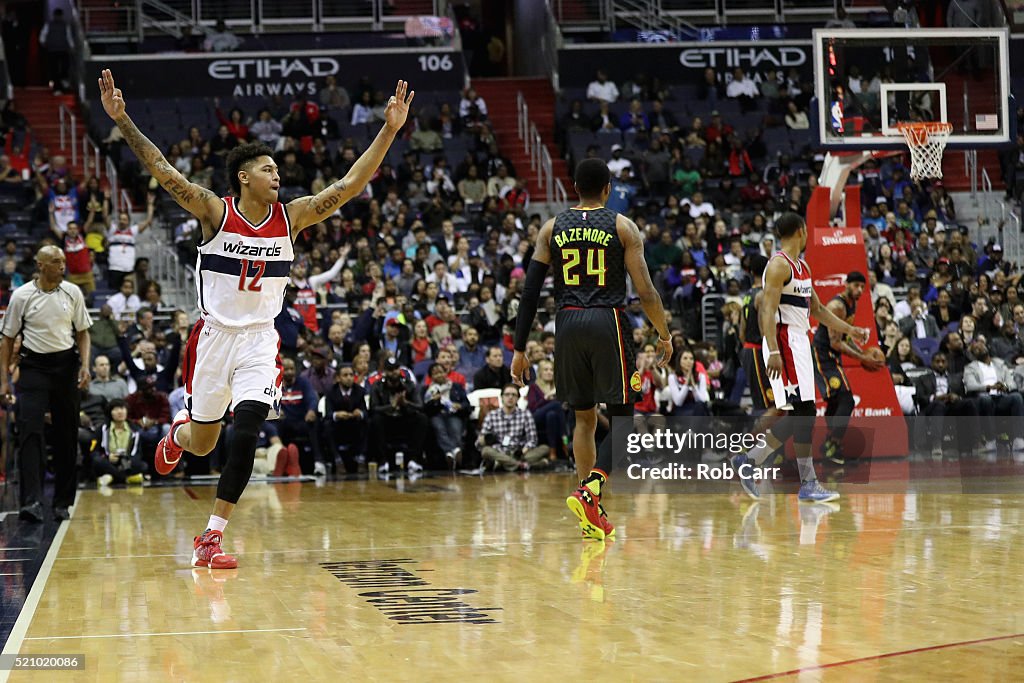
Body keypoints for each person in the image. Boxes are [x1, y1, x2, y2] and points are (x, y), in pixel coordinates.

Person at [99, 68, 413, 568]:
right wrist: (123, 119)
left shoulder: (293, 217)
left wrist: (390, 130)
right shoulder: (213, 211)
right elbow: (161, 168)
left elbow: (349, 185)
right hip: (213, 338)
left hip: (259, 343)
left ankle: (212, 536)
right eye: (268, 169)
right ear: (244, 177)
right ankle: (177, 434)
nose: (278, 176)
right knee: (203, 443)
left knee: (245, 432)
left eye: (278, 171)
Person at [510, 158, 672, 542]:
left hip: (565, 324)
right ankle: (591, 490)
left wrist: (519, 348)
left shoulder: (552, 228)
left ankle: (591, 511)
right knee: (622, 421)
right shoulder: (621, 226)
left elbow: (530, 291)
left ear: (574, 187)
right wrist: (664, 333)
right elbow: (646, 291)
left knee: (584, 419)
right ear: (608, 189)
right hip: (607, 321)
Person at [731, 213, 871, 503]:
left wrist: (851, 330)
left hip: (801, 341)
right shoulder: (779, 265)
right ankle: (804, 481)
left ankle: (750, 460)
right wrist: (772, 350)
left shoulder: (803, 267)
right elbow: (766, 311)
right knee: (804, 412)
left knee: (802, 414)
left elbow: (818, 309)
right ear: (801, 231)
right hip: (786, 342)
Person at [0, 246, 92, 522]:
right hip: (34, 368)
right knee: (30, 432)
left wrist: (85, 365)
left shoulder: (73, 292)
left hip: (65, 367)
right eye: (55, 262)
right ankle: (31, 502)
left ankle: (62, 502)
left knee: (67, 434)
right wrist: (4, 380)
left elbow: (83, 333)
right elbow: (7, 339)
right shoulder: (22, 296)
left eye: (63, 261)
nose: (62, 266)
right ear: (40, 265)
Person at [811, 271, 883, 464]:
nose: (859, 290)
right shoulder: (837, 306)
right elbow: (835, 342)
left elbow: (845, 338)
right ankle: (831, 445)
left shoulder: (853, 304)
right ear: (846, 284)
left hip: (832, 355)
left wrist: (862, 352)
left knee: (836, 402)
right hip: (822, 354)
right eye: (855, 286)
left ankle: (830, 446)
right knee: (846, 400)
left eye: (862, 286)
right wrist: (862, 358)